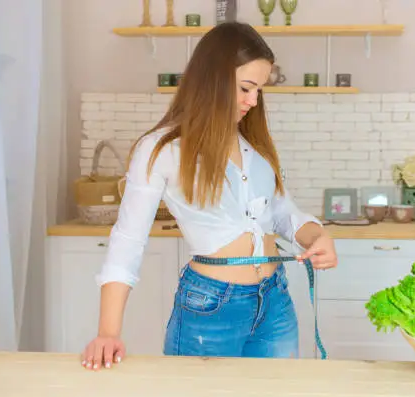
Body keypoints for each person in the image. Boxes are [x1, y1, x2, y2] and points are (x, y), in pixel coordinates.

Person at [80, 21, 338, 371]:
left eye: (260, 90)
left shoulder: (253, 147)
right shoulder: (162, 149)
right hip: (212, 306)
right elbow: (128, 239)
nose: (254, 100)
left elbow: (279, 211)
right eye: (246, 88)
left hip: (275, 300)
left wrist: (316, 235)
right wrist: (107, 332)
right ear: (213, 78)